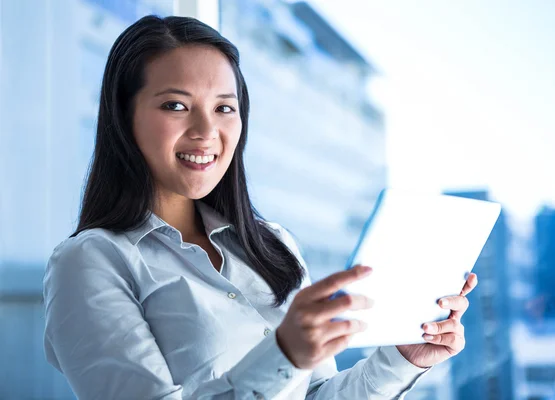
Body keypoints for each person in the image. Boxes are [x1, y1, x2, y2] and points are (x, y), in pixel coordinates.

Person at [42, 15, 476, 400]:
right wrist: (283, 353)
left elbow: (315, 395)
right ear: (124, 116)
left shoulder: (272, 244)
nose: (206, 130)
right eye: (176, 105)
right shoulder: (89, 262)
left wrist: (402, 359)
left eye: (224, 108)